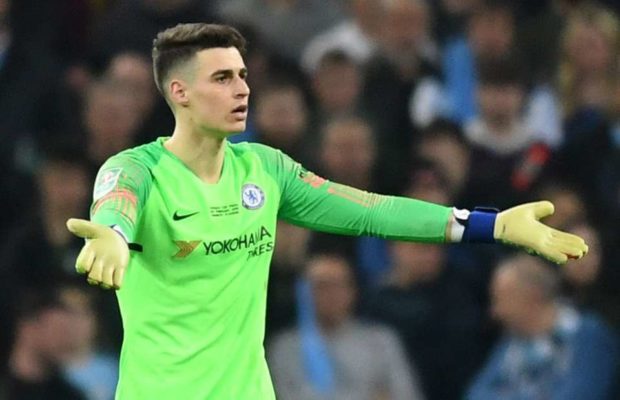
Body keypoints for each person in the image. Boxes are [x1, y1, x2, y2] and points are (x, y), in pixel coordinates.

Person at [64, 23, 588, 399]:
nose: (242, 89)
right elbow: (116, 202)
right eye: (222, 78)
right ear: (179, 92)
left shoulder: (264, 169)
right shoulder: (137, 168)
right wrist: (112, 234)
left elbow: (371, 211)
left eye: (243, 75)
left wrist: (493, 224)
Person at [268, 253, 424, 400]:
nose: (331, 294)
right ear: (303, 293)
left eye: (339, 284)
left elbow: (406, 395)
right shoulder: (284, 347)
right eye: (322, 286)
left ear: (352, 291)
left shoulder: (381, 340)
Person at [467, 254, 619, 400]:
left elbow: (580, 394)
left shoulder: (588, 337)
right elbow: (476, 394)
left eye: (500, 299)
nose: (495, 312)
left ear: (531, 296)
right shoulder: (512, 343)